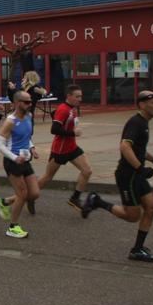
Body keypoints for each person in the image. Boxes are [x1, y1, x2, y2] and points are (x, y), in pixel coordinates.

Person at [81, 91, 153, 262]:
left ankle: (137, 249)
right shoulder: (135, 122)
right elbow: (124, 147)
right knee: (132, 216)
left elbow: (138, 149)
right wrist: (140, 168)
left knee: (151, 208)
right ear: (143, 105)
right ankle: (97, 202)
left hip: (136, 174)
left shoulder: (143, 122)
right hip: (127, 176)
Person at [31, 84, 93, 213]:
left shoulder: (72, 109)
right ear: (69, 96)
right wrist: (73, 133)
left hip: (72, 148)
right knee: (47, 177)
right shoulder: (64, 109)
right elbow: (54, 129)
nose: (80, 99)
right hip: (60, 150)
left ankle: (74, 198)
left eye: (81, 96)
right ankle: (29, 196)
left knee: (87, 171)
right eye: (77, 96)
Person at [0, 91, 40, 238]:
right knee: (22, 194)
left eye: (30, 102)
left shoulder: (28, 116)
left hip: (25, 159)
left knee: (34, 193)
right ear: (18, 103)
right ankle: (13, 227)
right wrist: (14, 157)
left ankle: (4, 202)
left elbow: (26, 137)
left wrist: (32, 148)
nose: (30, 104)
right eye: (27, 102)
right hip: (13, 162)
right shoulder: (10, 121)